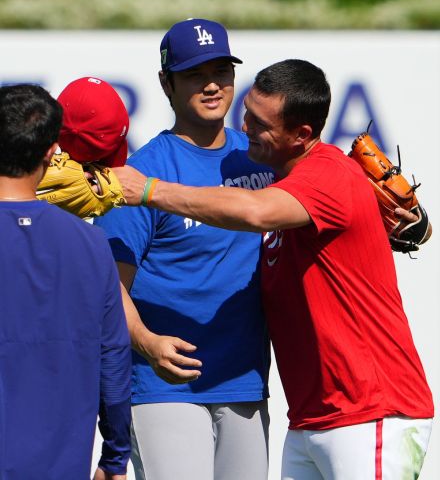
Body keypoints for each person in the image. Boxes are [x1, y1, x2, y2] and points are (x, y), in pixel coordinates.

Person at [114, 59, 434, 479]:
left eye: (260, 123)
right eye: (247, 112)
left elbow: (254, 212)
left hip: (372, 410)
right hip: (312, 419)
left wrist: (150, 190)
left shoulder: (326, 174)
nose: (244, 127)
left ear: (302, 135)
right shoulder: (278, 177)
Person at [95, 18, 273, 480]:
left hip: (244, 380)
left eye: (221, 70)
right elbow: (110, 287)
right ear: (165, 82)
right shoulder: (141, 174)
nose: (212, 85)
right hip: (165, 385)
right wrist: (149, 343)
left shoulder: (256, 158)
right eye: (195, 74)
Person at [0, 83, 132, 480]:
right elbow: (113, 360)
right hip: (62, 464)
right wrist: (115, 457)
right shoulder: (91, 242)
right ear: (51, 151)